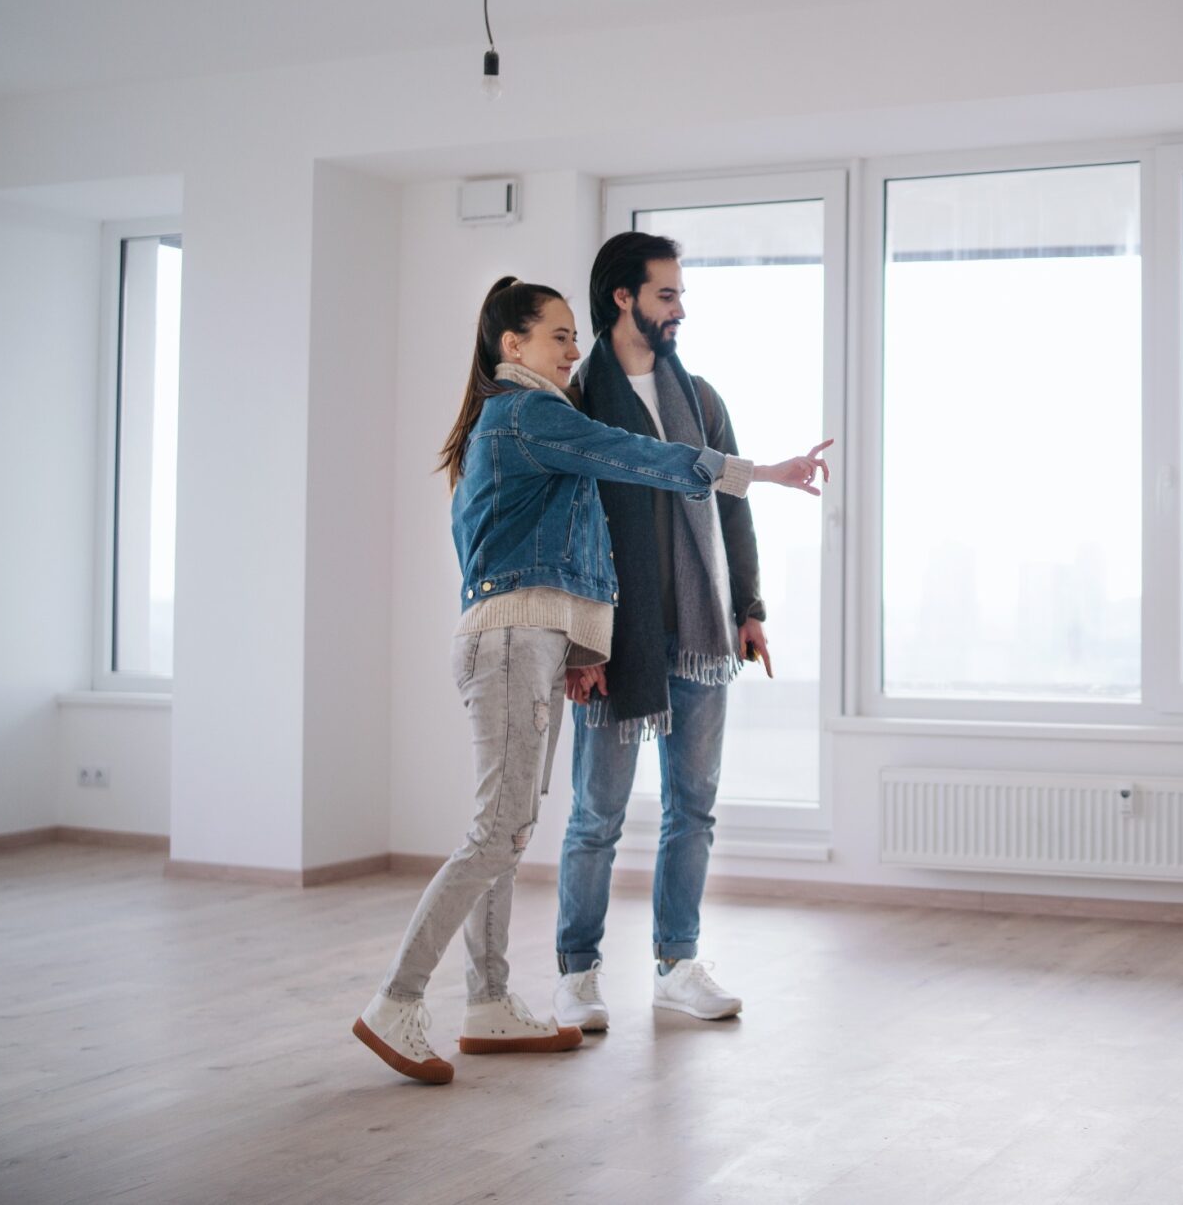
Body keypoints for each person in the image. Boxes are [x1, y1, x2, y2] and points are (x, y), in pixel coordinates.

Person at [353, 276, 829, 1085]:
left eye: (577, 336)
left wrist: (577, 648)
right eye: (558, 336)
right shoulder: (528, 414)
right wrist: (757, 473)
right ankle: (395, 1002)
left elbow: (554, 551)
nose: (575, 351)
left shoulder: (518, 422)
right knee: (494, 834)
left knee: (507, 833)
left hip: (525, 646)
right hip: (508, 647)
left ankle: (489, 1004)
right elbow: (635, 458)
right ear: (513, 346)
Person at [553, 232, 819, 1028]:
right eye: (666, 295)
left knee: (693, 808)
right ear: (623, 298)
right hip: (613, 640)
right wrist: (578, 645)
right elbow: (566, 531)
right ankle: (576, 972)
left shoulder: (700, 398)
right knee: (596, 814)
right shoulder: (575, 403)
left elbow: (730, 507)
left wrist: (750, 610)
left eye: (680, 297)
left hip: (699, 636)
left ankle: (677, 961)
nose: (678, 312)